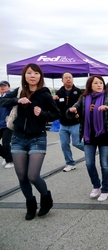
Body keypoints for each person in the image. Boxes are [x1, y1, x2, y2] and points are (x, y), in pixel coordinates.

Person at [0, 64, 60, 220]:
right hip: (18, 138)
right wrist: (17, 99)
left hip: (37, 138)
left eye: (35, 73)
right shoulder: (19, 91)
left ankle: (46, 198)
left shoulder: (45, 94)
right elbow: (3, 102)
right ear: (24, 75)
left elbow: (55, 114)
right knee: (22, 176)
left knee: (33, 175)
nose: (32, 75)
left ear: (40, 76)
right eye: (29, 73)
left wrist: (42, 113)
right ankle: (30, 204)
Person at [67, 75, 108, 202]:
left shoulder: (107, 98)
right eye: (96, 83)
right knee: (89, 163)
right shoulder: (84, 98)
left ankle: (105, 189)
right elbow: (71, 112)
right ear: (90, 85)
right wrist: (72, 110)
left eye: (101, 83)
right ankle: (96, 185)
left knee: (104, 164)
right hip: (88, 135)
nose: (99, 85)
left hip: (104, 135)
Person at [53, 72, 84, 172]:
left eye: (70, 77)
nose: (68, 79)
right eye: (66, 78)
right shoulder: (59, 92)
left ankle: (90, 150)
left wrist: (79, 113)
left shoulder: (78, 92)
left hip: (75, 123)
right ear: (62, 80)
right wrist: (54, 100)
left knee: (77, 143)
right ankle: (70, 163)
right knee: (64, 144)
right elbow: (55, 108)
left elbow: (83, 105)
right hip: (63, 124)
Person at [0, 80, 14, 168]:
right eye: (1, 86)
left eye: (4, 86)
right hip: (0, 124)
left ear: (8, 87)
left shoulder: (10, 96)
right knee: (5, 144)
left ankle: (10, 161)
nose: (2, 87)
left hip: (7, 124)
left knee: (6, 143)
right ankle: (6, 156)